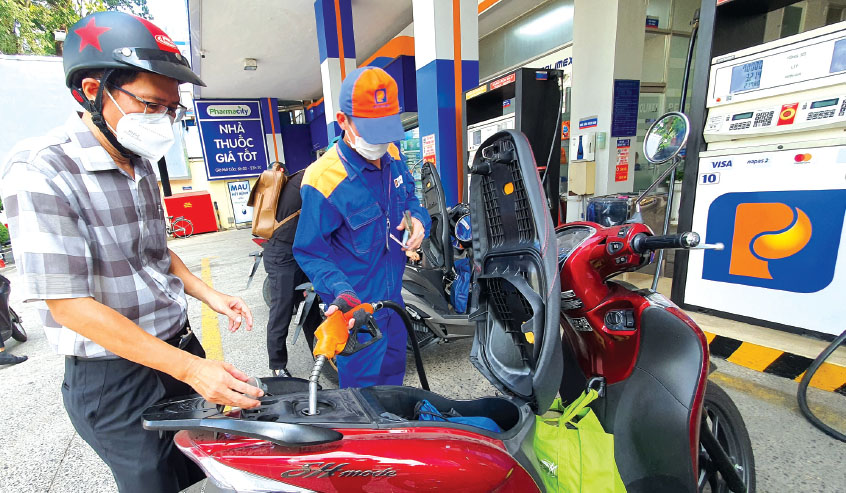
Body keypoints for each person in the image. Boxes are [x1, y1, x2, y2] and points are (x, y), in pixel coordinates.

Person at [0, 11, 262, 493]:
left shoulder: (138, 162)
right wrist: (192, 370)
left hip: (179, 349)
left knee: (203, 469)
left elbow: (153, 253)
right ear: (91, 91)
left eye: (172, 109)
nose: (164, 120)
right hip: (115, 377)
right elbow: (69, 304)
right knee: (154, 482)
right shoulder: (42, 169)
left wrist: (210, 295)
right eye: (152, 104)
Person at [294, 66, 431, 388]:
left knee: (394, 384)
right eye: (372, 131)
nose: (381, 142)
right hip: (358, 313)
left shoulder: (393, 154)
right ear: (343, 121)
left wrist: (417, 221)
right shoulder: (323, 180)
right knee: (363, 397)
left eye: (386, 129)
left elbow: (410, 198)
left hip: (394, 303)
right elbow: (311, 252)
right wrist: (341, 292)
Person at [263, 165, 319, 377]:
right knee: (282, 311)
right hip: (282, 256)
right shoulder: (308, 180)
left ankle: (320, 356)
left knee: (310, 307)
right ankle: (277, 366)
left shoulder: (305, 178)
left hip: (298, 252)